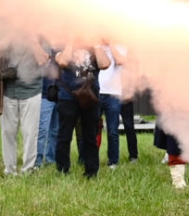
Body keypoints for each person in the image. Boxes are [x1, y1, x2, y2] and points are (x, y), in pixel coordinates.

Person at [54, 42, 111, 178]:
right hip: (67, 96)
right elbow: (62, 62)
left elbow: (105, 64)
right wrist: (70, 41)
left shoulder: (96, 47)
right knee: (64, 135)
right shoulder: (63, 44)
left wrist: (96, 45)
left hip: (90, 97)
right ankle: (63, 170)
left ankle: (91, 171)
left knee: (90, 135)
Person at [1, 39, 48, 175]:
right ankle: (9, 169)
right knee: (7, 132)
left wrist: (32, 38)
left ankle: (27, 169)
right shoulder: (9, 32)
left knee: (30, 133)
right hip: (9, 90)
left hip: (31, 90)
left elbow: (43, 60)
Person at [97, 42, 128, 169]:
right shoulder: (96, 46)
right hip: (96, 92)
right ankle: (92, 158)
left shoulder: (121, 46)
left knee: (112, 131)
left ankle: (113, 161)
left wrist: (111, 44)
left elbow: (121, 61)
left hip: (114, 94)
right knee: (93, 129)